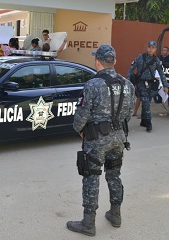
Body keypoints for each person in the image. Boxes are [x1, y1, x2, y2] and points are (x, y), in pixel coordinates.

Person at [67, 44, 135, 236]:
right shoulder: (127, 85)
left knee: (91, 177)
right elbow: (129, 113)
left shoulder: (93, 85)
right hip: (119, 138)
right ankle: (115, 214)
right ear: (114, 61)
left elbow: (81, 115)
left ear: (97, 61)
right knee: (114, 174)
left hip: (96, 139)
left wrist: (80, 130)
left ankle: (88, 223)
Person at [127, 40, 169, 132]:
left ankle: (143, 121)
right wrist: (129, 83)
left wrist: (165, 86)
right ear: (147, 48)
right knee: (145, 102)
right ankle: (149, 123)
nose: (150, 49)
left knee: (147, 102)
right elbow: (130, 70)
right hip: (140, 82)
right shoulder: (140, 57)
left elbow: (161, 73)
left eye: (153, 48)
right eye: (149, 47)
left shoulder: (156, 60)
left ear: (155, 49)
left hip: (150, 84)